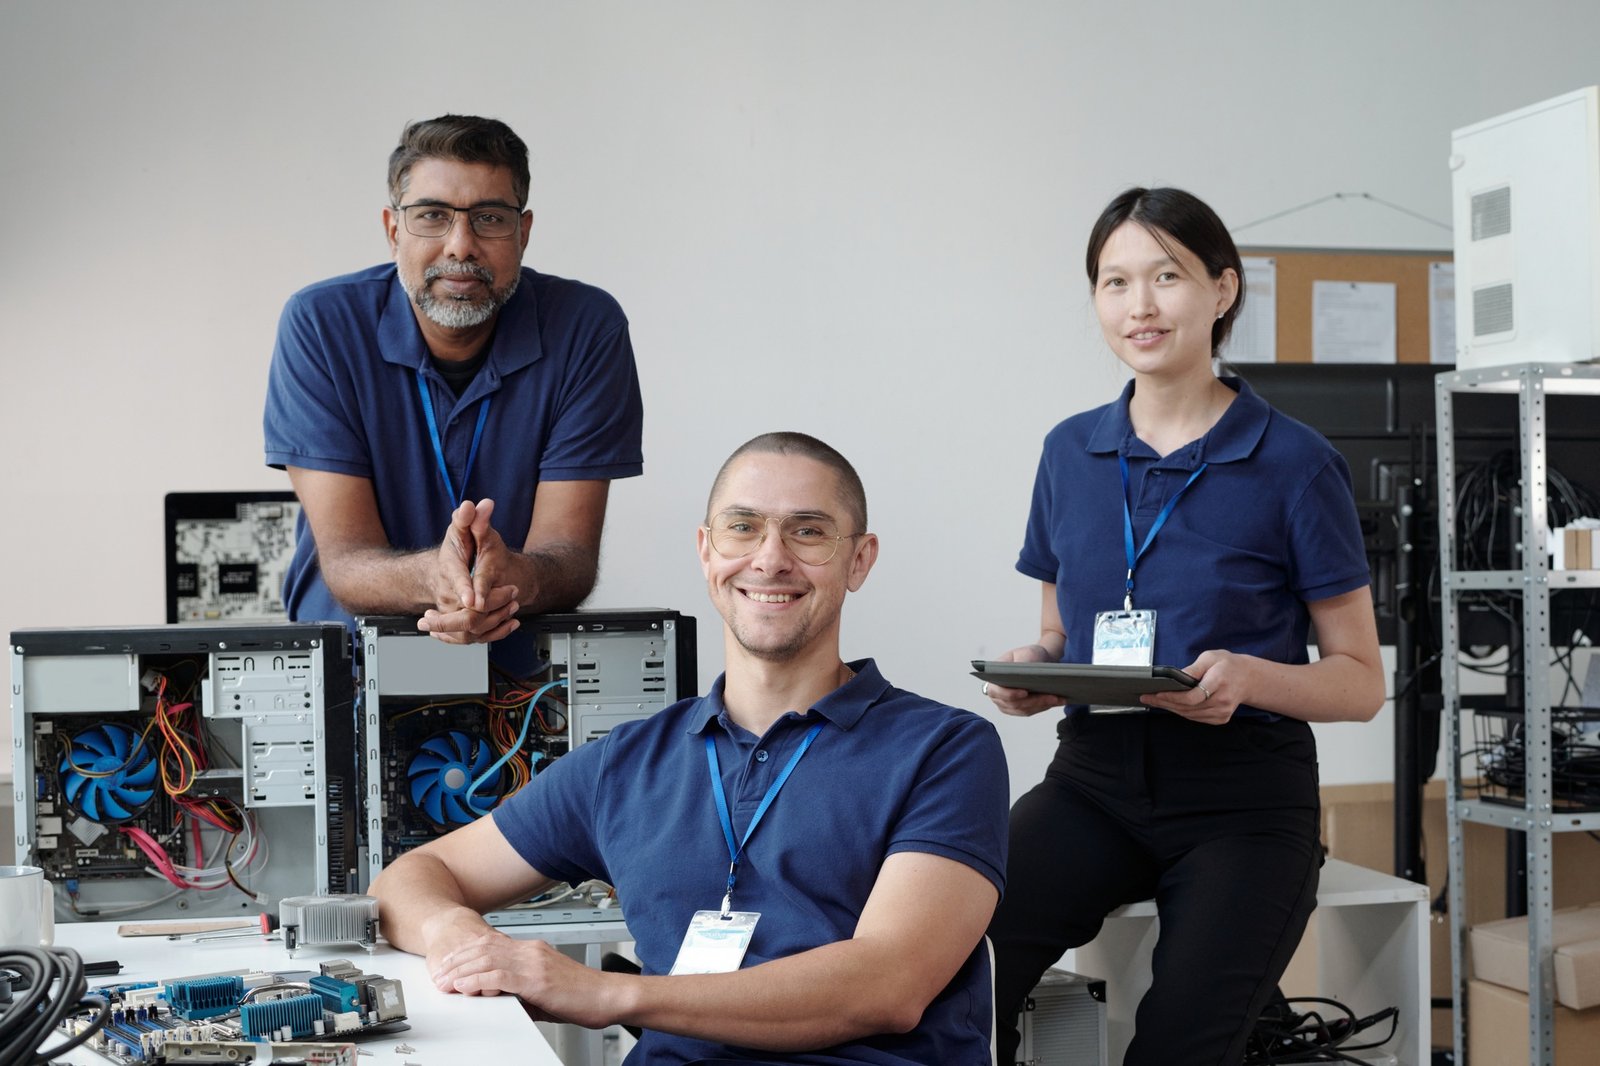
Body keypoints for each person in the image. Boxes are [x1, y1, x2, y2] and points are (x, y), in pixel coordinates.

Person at [371, 432, 1010, 1065]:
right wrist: (458, 933)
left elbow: (887, 986)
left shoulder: (946, 750)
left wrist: (609, 994)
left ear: (860, 560)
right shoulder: (627, 762)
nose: (769, 559)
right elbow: (413, 879)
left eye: (808, 532)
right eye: (742, 527)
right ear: (706, 551)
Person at [984, 187, 1386, 1066]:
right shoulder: (1069, 451)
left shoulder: (1296, 462)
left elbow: (1361, 681)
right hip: (1092, 784)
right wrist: (1035, 667)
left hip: (1242, 801)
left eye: (1166, 277)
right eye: (1114, 281)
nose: (1140, 306)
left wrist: (1253, 679)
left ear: (1222, 291)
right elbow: (1057, 632)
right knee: (952, 973)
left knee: (1178, 1045)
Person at [263, 114, 643, 670]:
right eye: (433, 216)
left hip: (519, 682)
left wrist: (516, 576)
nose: (460, 246)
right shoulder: (321, 325)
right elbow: (344, 562)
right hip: (351, 671)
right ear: (395, 230)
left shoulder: (587, 328)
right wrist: (434, 578)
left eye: (489, 218)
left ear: (523, 231)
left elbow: (571, 555)